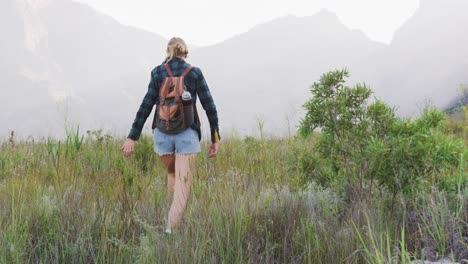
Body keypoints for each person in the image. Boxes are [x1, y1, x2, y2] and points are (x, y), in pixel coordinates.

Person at [121, 37, 220, 234]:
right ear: (186, 54)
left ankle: (172, 216)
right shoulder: (194, 73)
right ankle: (170, 232)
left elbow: (146, 105)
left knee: (172, 174)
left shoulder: (157, 72)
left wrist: (132, 137)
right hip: (187, 135)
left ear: (168, 52)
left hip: (162, 135)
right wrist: (215, 139)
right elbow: (209, 105)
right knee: (183, 186)